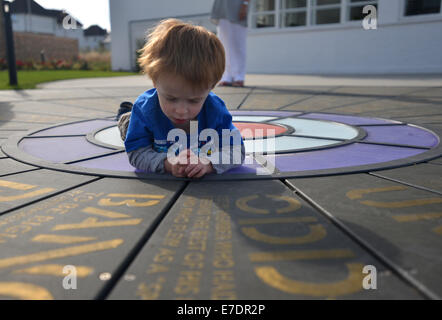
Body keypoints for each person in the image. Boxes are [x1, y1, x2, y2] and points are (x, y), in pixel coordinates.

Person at [118, 19, 245, 179]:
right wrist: (168, 164)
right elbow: (137, 153)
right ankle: (126, 116)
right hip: (141, 120)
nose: (181, 110)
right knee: (128, 129)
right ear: (155, 81)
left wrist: (209, 163)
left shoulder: (215, 110)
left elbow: (237, 150)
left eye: (194, 101)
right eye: (171, 98)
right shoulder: (145, 110)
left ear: (211, 87)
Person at [211, 0, 249, 87]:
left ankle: (239, 77)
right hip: (222, 8)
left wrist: (245, 4)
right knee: (223, 44)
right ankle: (226, 76)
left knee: (238, 45)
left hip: (237, 7)